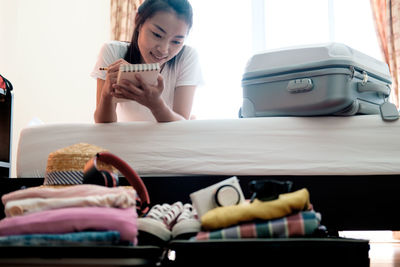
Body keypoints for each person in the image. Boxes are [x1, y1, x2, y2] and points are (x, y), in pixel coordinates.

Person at [91, 0, 202, 123]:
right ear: (138, 21)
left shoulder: (186, 57)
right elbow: (102, 125)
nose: (163, 50)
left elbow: (181, 126)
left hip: (169, 140)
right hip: (126, 138)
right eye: (157, 35)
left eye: (176, 42)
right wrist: (106, 95)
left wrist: (156, 104)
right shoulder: (113, 51)